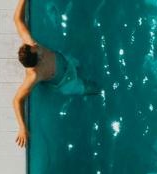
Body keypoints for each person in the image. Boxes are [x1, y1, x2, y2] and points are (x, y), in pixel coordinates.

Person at [11, 0, 98, 148]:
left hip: (67, 61)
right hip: (66, 83)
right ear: (34, 64)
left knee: (84, 63)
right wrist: (22, 128)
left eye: (35, 48)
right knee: (93, 89)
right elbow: (16, 101)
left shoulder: (31, 44)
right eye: (39, 57)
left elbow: (17, 19)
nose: (40, 52)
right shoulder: (33, 77)